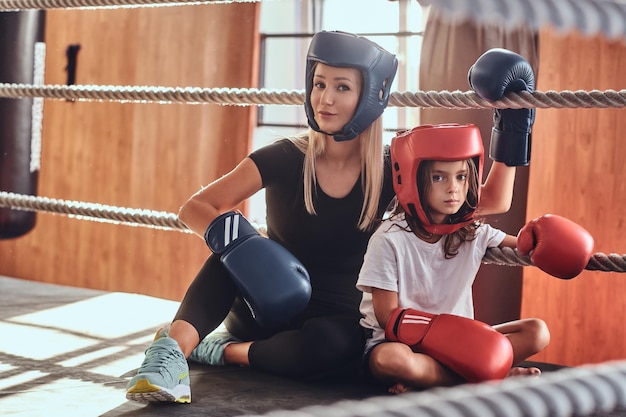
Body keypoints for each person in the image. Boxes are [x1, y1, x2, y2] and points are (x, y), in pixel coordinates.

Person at [125, 31, 519, 404]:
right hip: (262, 308)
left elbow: (491, 199)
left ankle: (221, 351)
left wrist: (516, 120)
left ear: (369, 96)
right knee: (232, 253)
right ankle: (170, 355)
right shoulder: (284, 156)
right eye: (319, 84)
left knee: (336, 349)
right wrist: (242, 244)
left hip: (335, 325)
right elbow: (195, 207)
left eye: (342, 87)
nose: (324, 98)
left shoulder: (391, 171)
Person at [357, 123, 595, 394]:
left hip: (461, 346)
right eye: (438, 178)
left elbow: (522, 247)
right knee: (392, 361)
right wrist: (449, 337)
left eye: (461, 177)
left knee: (537, 331)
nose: (453, 189)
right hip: (402, 344)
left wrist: (543, 241)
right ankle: (493, 379)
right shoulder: (389, 239)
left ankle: (438, 379)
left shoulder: (472, 231)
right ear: (413, 178)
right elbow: (387, 316)